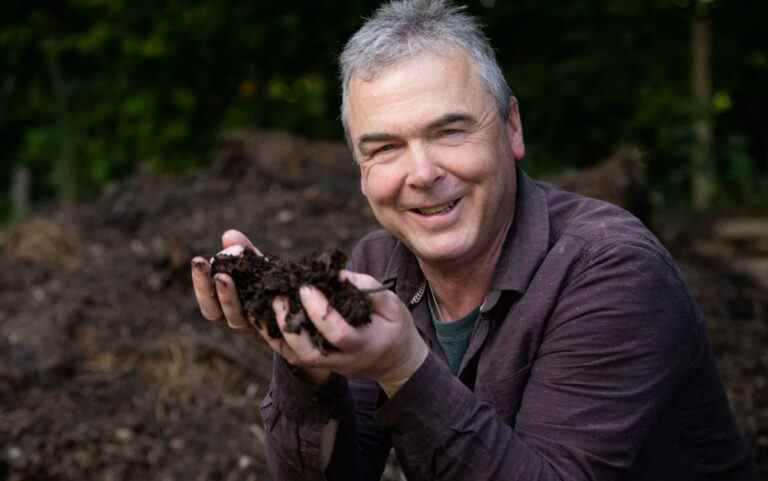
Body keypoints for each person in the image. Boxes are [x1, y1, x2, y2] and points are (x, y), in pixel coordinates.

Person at [191, 1, 756, 479]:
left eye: (450, 131)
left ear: (512, 128)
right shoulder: (380, 263)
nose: (422, 172)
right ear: (360, 168)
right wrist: (305, 365)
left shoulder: (612, 271)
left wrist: (404, 369)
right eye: (385, 147)